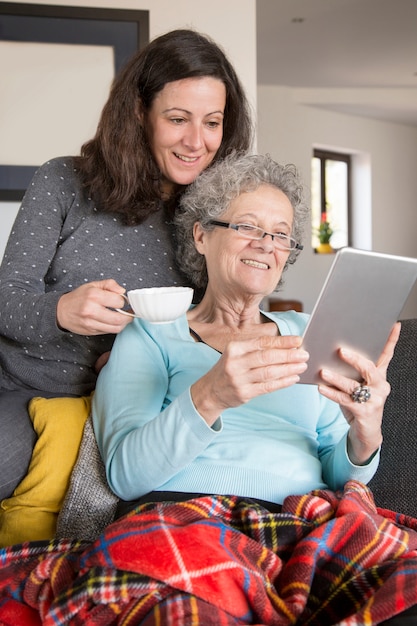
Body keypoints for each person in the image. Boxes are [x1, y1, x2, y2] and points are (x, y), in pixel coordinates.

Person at [0, 28, 253, 500]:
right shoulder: (62, 181)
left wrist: (144, 357)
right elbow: (6, 300)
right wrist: (61, 311)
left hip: (133, 408)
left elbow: (219, 327)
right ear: (140, 113)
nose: (197, 141)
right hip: (20, 388)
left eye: (213, 122)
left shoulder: (216, 219)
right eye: (178, 119)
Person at [92, 152, 398, 512]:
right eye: (247, 227)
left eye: (281, 234)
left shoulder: (311, 332)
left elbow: (339, 476)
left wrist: (365, 435)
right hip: (187, 515)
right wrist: (211, 395)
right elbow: (126, 477)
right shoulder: (153, 334)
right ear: (202, 236)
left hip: (300, 518)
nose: (266, 244)